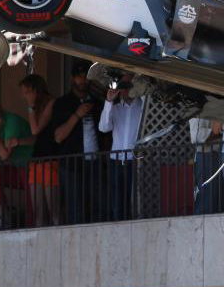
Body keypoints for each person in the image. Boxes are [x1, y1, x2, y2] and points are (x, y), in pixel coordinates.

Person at [45, 62, 99, 224]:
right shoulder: (63, 103)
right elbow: (58, 137)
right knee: (75, 207)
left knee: (97, 206)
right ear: (72, 79)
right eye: (79, 77)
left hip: (96, 162)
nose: (83, 80)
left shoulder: (97, 102)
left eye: (86, 77)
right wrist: (77, 115)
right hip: (71, 164)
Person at [0, 94, 34, 231]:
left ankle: (32, 226)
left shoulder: (11, 121)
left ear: (1, 109)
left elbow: (4, 156)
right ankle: (5, 218)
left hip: (31, 166)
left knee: (31, 206)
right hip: (14, 169)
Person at [98, 71, 147, 221]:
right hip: (116, 160)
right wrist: (108, 101)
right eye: (123, 86)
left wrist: (139, 87)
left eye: (128, 85)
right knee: (117, 203)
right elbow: (103, 127)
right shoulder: (116, 108)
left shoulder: (142, 106)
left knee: (135, 200)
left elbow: (147, 99)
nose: (126, 89)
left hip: (135, 160)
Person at [23, 74, 62, 227]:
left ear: (35, 90)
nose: (24, 96)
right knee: (38, 210)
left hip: (50, 159)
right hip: (37, 160)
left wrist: (31, 107)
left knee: (54, 210)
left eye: (27, 92)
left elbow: (35, 129)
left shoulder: (51, 102)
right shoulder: (37, 107)